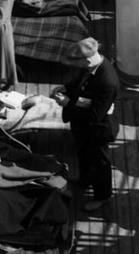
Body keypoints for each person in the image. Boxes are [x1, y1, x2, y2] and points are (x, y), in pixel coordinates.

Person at [51, 37, 119, 211]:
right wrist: (66, 88)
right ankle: (85, 179)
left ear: (88, 60)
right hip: (83, 126)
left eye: (78, 63)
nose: (78, 67)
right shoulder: (92, 67)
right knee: (84, 153)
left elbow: (94, 115)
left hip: (98, 130)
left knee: (100, 163)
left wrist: (67, 103)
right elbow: (80, 82)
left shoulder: (108, 82)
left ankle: (102, 195)